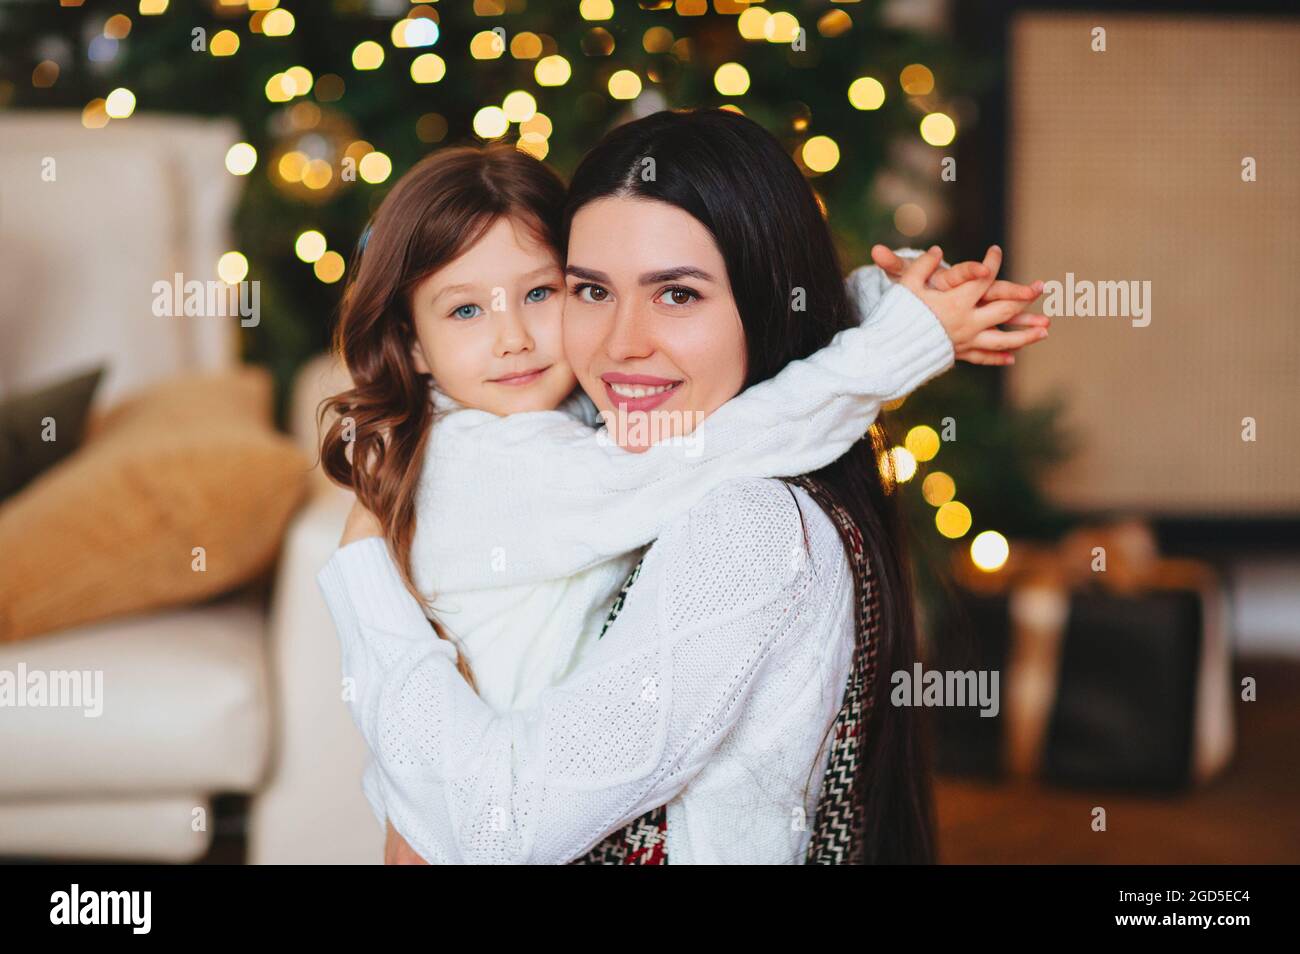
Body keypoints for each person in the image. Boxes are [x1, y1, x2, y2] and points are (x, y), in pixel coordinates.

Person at [319, 109, 1047, 863]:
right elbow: (747, 429)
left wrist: (880, 313)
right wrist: (892, 331)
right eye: (593, 291)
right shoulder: (497, 451)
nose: (620, 344)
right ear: (413, 342)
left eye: (677, 294)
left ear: (770, 296)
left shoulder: (745, 522)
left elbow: (497, 825)